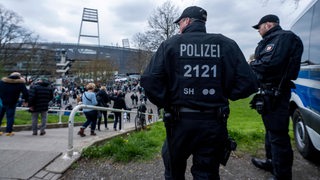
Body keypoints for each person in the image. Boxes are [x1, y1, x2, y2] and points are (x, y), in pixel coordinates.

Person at [141, 6, 258, 179]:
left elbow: (150, 80)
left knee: (174, 171)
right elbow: (249, 82)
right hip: (213, 122)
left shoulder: (171, 44)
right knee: (207, 173)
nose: (179, 27)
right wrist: (225, 94)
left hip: (179, 122)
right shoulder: (225, 44)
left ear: (187, 21)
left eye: (180, 23)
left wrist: (168, 103)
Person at [249, 14, 303, 180]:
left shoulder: (283, 38)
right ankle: (271, 161)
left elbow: (268, 65)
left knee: (278, 135)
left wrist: (252, 64)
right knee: (271, 131)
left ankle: (282, 175)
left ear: (269, 24)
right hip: (268, 92)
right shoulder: (272, 40)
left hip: (277, 92)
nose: (258, 30)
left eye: (260, 26)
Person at [0, 72, 29, 136]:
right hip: (12, 102)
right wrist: (26, 101)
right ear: (19, 77)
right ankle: (8, 132)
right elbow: (26, 93)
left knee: (0, 116)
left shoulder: (2, 81)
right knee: (10, 117)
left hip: (2, 101)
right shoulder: (20, 83)